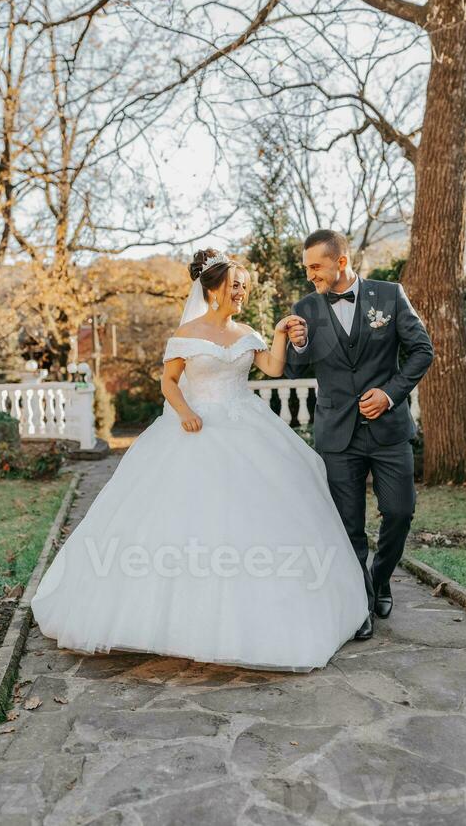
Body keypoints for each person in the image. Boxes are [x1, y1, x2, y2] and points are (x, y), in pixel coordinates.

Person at [30, 248, 369, 672]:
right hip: (194, 430)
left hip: (247, 429)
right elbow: (169, 383)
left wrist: (280, 333)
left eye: (245, 286)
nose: (241, 291)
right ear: (212, 289)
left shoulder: (247, 332)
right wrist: (186, 413)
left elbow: (273, 367)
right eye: (234, 285)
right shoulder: (186, 335)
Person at [285, 229, 434, 640]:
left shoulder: (389, 295)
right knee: (348, 526)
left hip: (388, 430)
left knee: (400, 512)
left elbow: (423, 349)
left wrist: (389, 394)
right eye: (307, 268)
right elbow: (294, 371)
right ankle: (360, 603)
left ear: (341, 262)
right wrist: (297, 347)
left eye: (316, 266)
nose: (310, 275)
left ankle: (382, 578)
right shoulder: (306, 308)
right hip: (337, 434)